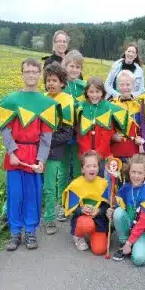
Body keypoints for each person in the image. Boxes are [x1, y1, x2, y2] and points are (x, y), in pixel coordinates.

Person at [0, 58, 61, 251]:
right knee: (15, 194)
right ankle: (15, 232)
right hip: (15, 154)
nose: (31, 75)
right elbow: (5, 129)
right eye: (27, 71)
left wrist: (41, 159)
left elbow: (46, 135)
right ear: (22, 74)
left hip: (33, 153)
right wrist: (11, 151)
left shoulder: (46, 103)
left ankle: (30, 231)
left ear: (39, 74)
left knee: (33, 194)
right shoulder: (11, 100)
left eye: (34, 71)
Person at [107, 154, 145, 266]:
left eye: (140, 173)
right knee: (117, 213)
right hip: (129, 227)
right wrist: (110, 212)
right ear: (129, 172)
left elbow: (143, 223)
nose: (136, 176)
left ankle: (135, 245)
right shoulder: (125, 188)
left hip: (142, 232)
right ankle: (123, 242)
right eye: (133, 172)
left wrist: (130, 243)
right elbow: (119, 210)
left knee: (138, 260)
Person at [42, 63, 75, 234]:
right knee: (39, 185)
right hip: (38, 150)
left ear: (62, 82)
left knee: (50, 186)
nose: (51, 84)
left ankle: (49, 219)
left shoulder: (66, 101)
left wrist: (46, 141)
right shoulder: (43, 97)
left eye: (54, 80)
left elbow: (67, 133)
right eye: (48, 80)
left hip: (54, 151)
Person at [62, 151, 110, 254]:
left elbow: (107, 205)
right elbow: (71, 207)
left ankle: (95, 234)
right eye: (88, 166)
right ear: (82, 169)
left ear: (98, 167)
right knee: (86, 224)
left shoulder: (104, 184)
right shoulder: (76, 185)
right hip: (83, 219)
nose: (92, 169)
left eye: (94, 166)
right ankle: (78, 236)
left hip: (99, 219)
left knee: (99, 250)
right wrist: (81, 209)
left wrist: (99, 210)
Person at [77, 77, 127, 162]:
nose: (94, 95)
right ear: (86, 92)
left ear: (102, 92)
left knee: (102, 174)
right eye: (91, 92)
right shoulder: (81, 108)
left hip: (103, 155)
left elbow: (107, 134)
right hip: (85, 155)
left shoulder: (108, 108)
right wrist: (87, 153)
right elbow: (80, 134)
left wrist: (98, 153)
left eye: (97, 92)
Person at [61, 50, 86, 197]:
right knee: (63, 169)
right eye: (71, 66)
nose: (74, 70)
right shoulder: (61, 85)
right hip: (63, 132)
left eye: (77, 67)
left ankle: (77, 198)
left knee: (77, 167)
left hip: (79, 133)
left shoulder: (84, 86)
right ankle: (62, 199)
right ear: (65, 66)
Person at [109, 70, 145, 161]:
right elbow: (107, 126)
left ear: (133, 86)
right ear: (117, 86)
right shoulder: (112, 105)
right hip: (117, 149)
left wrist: (140, 137)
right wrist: (112, 136)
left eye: (128, 84)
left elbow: (143, 126)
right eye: (121, 84)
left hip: (133, 150)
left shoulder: (139, 105)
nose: (125, 87)